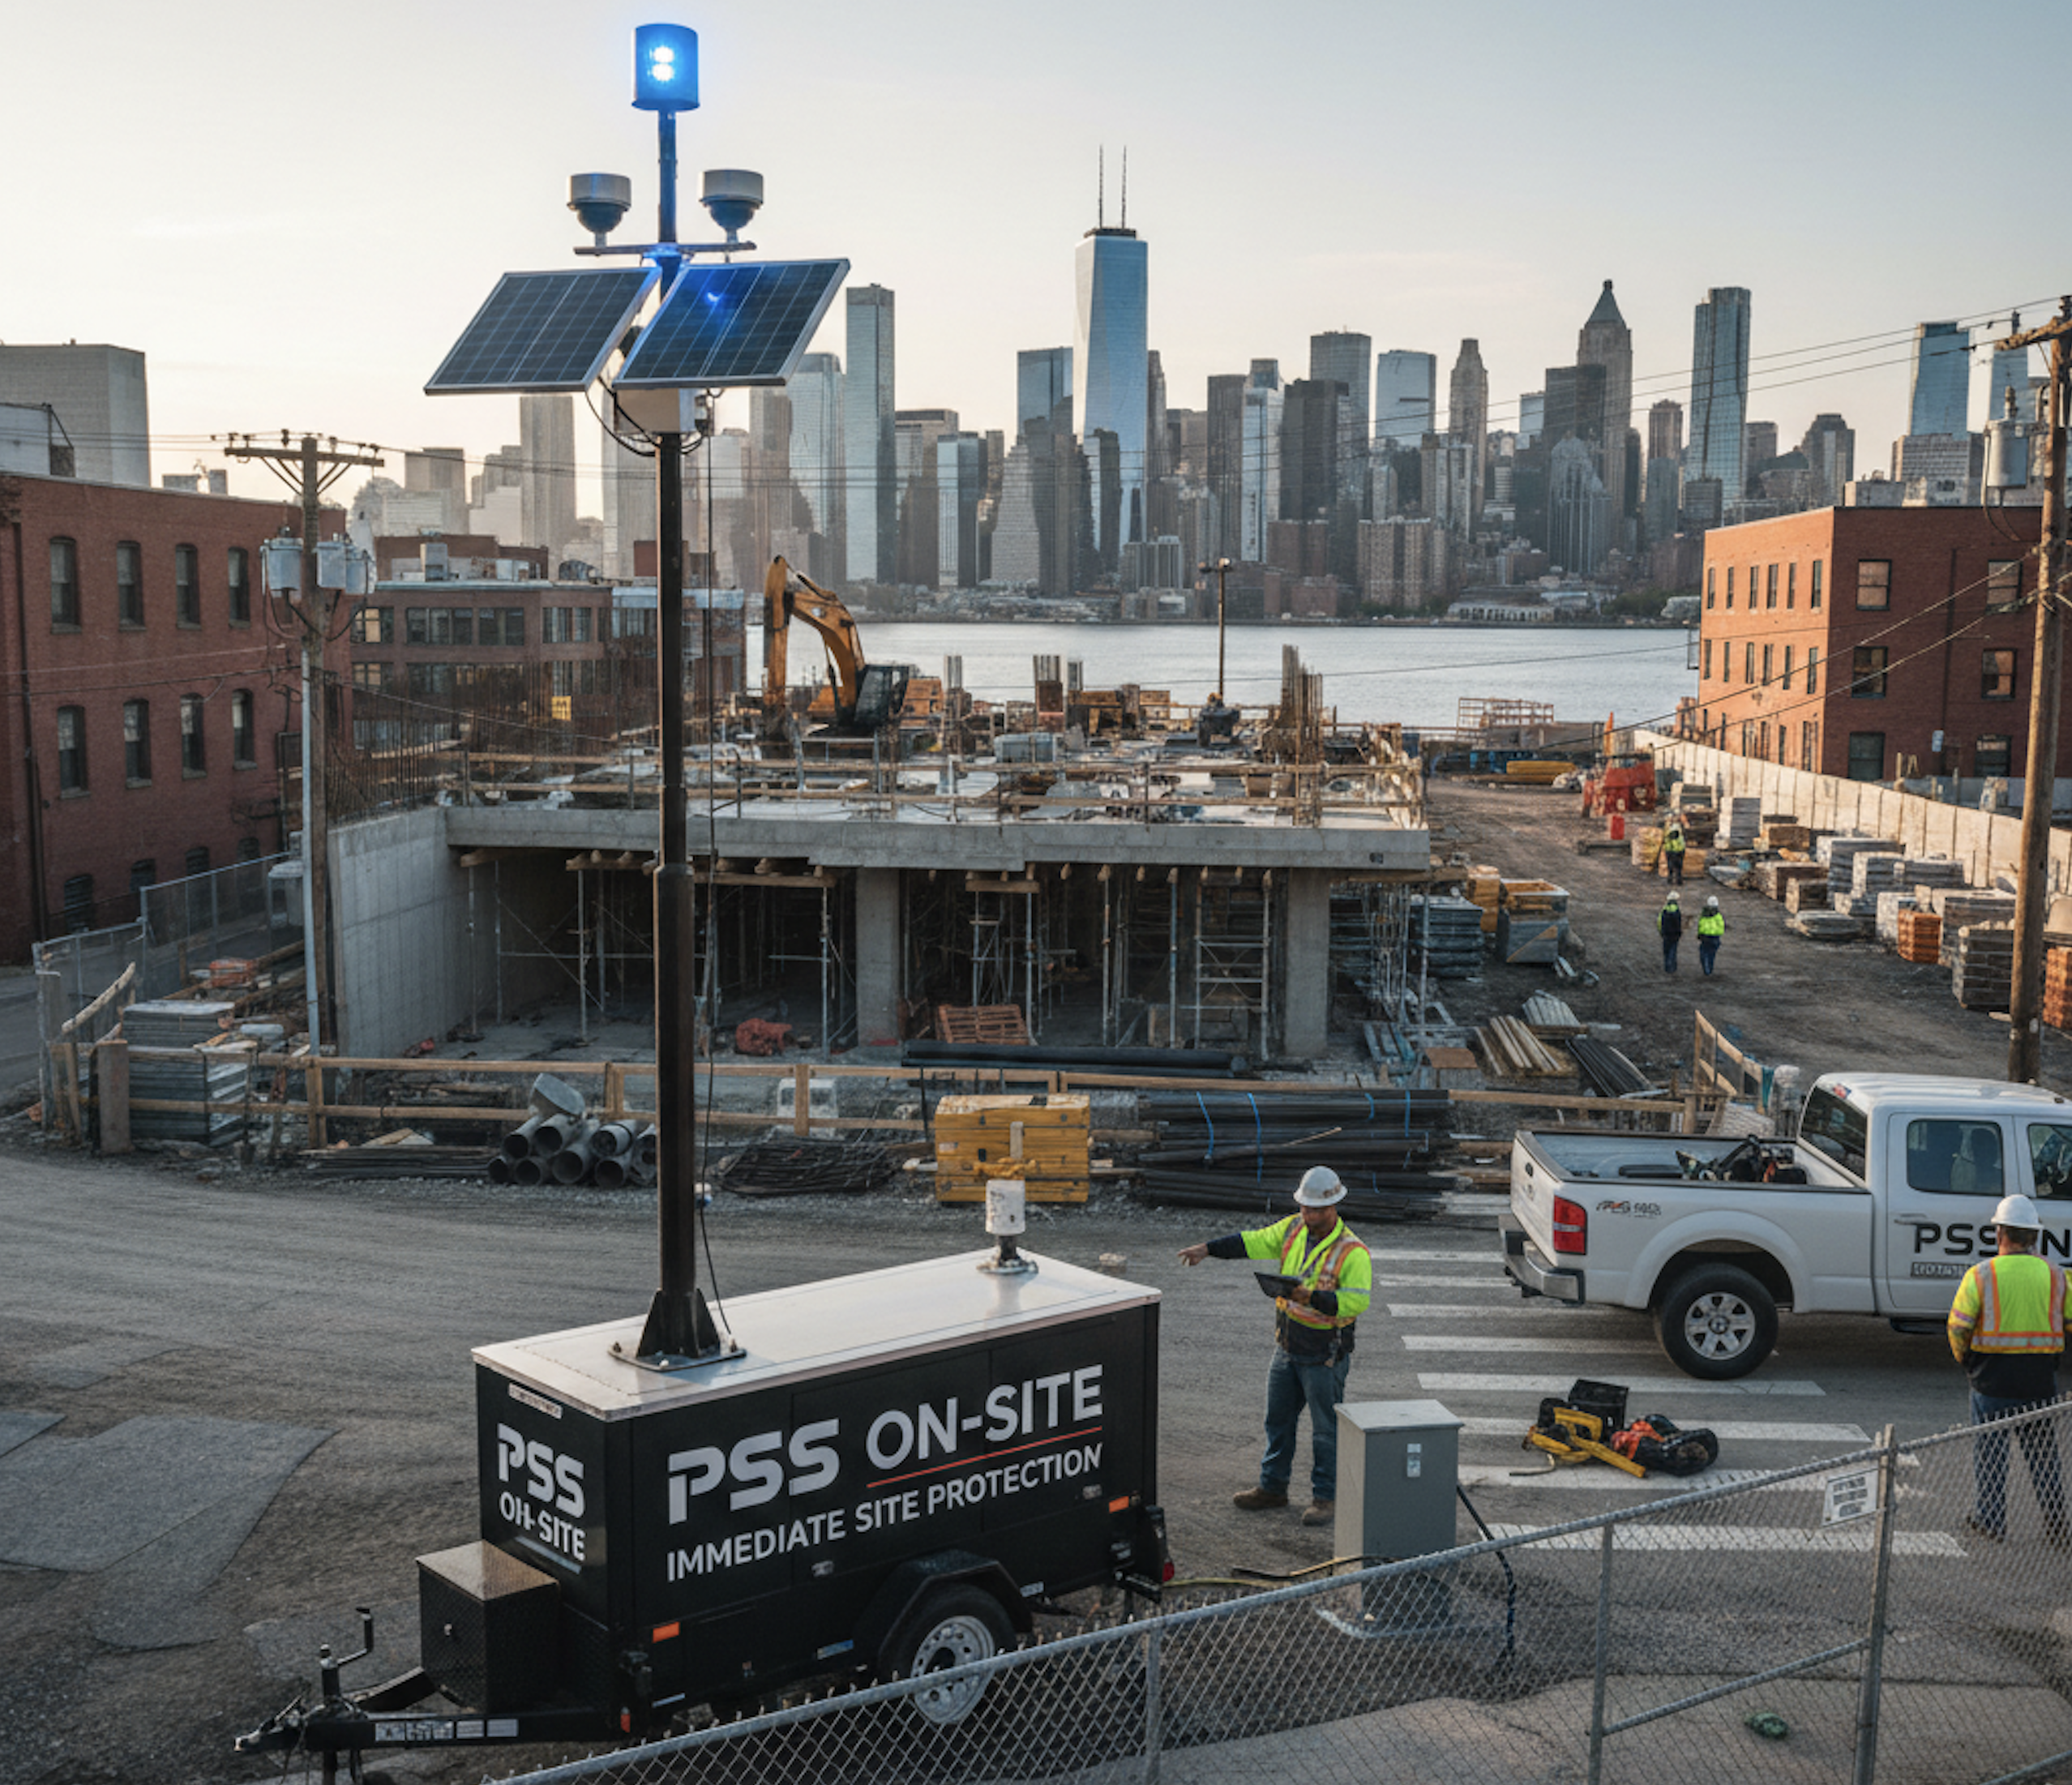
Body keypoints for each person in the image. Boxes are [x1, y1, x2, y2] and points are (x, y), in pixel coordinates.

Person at [1177, 1166, 1372, 1526]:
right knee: (1277, 1421)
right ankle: (1273, 1488)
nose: (1309, 1215)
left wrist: (1310, 1297)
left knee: (1326, 1430)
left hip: (1324, 1354)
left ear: (1333, 1208)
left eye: (1316, 1210)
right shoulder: (1292, 1228)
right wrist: (1208, 1249)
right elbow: (1251, 1241)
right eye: (1305, 1208)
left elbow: (1356, 1302)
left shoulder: (1353, 1251)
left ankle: (1325, 1498)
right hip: (1287, 1347)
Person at [1947, 1193, 2068, 1545]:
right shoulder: (2056, 1275)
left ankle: (1991, 1522)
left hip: (1991, 1381)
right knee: (2044, 1456)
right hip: (2040, 1382)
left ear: (2000, 1233)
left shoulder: (1981, 1275)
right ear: (2034, 1236)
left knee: (1990, 1455)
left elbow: (1958, 1327)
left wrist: (1965, 1359)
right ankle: (2058, 1525)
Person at [1697, 896, 1726, 977]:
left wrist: (1700, 934)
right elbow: (1721, 927)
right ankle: (1709, 969)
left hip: (1705, 937)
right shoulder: (1719, 916)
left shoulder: (1704, 914)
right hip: (1715, 938)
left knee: (1704, 954)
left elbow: (1700, 925)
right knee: (1711, 955)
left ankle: (1706, 970)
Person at [1658, 893, 1683, 974]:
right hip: (1674, 934)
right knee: (1673, 950)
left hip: (1666, 933)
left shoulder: (1664, 909)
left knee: (1666, 950)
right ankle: (1672, 966)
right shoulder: (1677, 910)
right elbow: (1678, 923)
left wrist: (1661, 930)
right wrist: (1679, 932)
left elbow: (1659, 921)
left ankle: (1667, 966)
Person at [1663, 820, 1686, 887]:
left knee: (1670, 867)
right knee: (1679, 868)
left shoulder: (1668, 835)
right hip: (1679, 852)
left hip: (1670, 852)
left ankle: (1670, 880)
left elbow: (1666, 844)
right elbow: (1682, 845)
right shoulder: (1680, 837)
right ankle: (1679, 881)